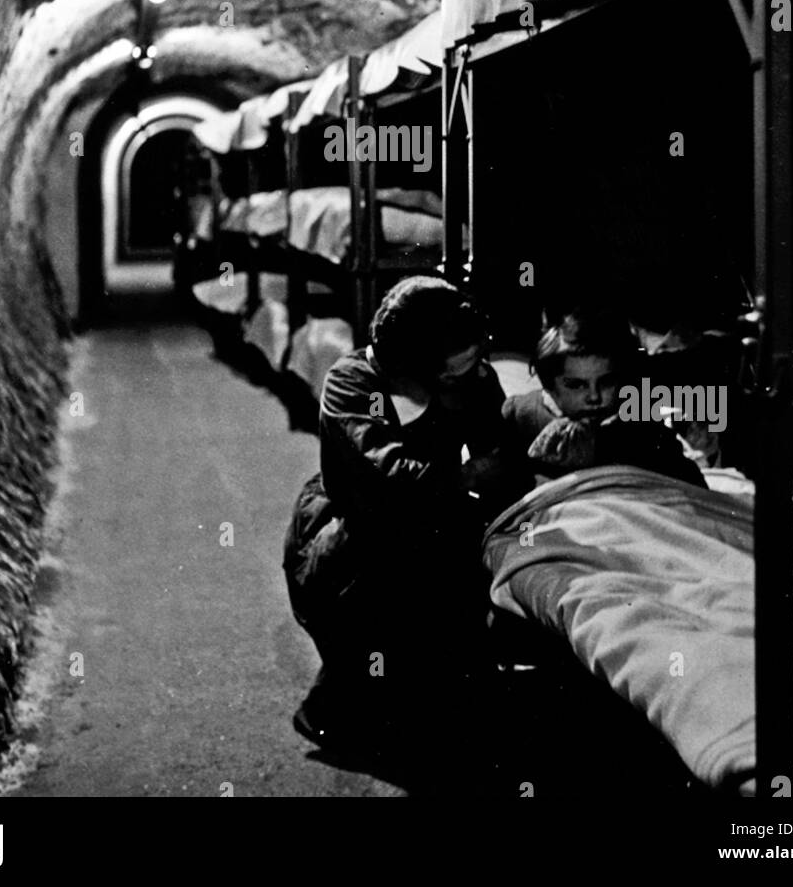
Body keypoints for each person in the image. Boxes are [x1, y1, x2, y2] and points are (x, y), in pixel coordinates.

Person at [283, 276, 522, 758]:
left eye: (475, 355)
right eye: (455, 367)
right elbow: (385, 472)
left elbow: (497, 451)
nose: (474, 368)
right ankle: (337, 701)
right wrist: (466, 475)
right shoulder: (353, 381)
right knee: (381, 598)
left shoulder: (470, 376)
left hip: (433, 515)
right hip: (352, 528)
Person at [502, 309, 706, 486]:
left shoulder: (641, 426)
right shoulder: (521, 415)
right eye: (576, 385)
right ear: (549, 386)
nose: (594, 397)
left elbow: (690, 490)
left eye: (606, 382)